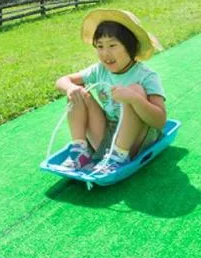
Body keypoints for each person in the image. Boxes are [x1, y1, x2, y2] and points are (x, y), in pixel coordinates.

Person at [53, 9, 167, 175]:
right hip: (108, 137)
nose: (105, 53)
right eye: (100, 46)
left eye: (112, 45)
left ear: (131, 47)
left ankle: (119, 156)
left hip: (138, 139)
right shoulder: (99, 70)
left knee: (134, 90)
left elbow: (160, 121)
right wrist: (71, 88)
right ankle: (80, 153)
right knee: (79, 93)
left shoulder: (146, 76)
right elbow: (62, 80)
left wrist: (135, 99)